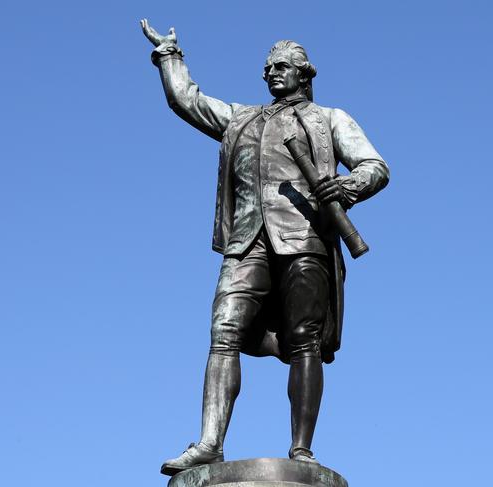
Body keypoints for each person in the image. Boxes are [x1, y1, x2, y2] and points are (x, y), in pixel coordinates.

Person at [140, 20, 389, 475]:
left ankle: (301, 450)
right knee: (224, 330)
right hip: (247, 239)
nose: (271, 74)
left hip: (304, 238)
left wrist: (347, 186)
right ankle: (209, 442)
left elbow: (375, 166)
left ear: (304, 74)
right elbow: (187, 101)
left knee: (305, 340)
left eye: (281, 67)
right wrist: (169, 56)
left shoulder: (331, 119)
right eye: (268, 68)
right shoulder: (241, 117)